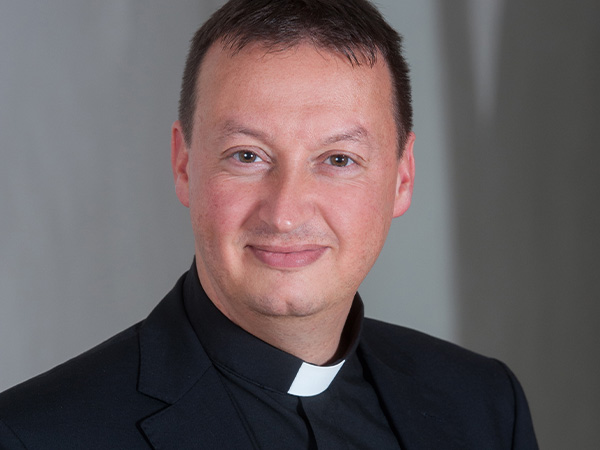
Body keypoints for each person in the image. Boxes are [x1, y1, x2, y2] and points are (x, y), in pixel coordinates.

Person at [0, 0, 538, 448]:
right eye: (247, 156)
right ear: (184, 166)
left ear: (402, 178)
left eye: (338, 159)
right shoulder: (31, 435)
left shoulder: (486, 404)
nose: (285, 213)